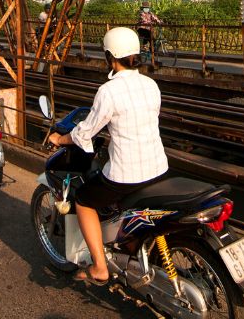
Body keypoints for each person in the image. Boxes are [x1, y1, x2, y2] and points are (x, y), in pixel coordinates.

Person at [47, 27, 169, 285]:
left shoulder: (109, 91)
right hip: (159, 167)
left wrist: (60, 139)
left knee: (84, 200)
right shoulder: (151, 85)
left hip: (128, 174)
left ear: (110, 57)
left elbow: (85, 132)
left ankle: (100, 268)